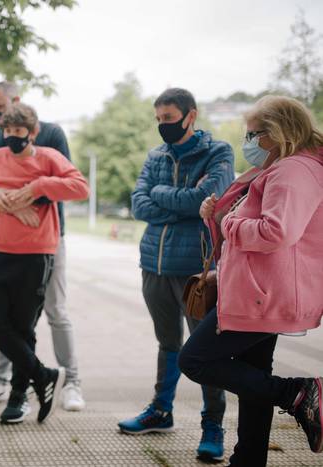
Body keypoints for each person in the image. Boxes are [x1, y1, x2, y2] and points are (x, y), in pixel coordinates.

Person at [179, 95, 323, 466]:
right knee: (253, 376)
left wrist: (227, 221)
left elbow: (277, 232)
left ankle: (299, 393)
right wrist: (217, 216)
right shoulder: (281, 168)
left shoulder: (293, 171)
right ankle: (249, 458)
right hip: (257, 290)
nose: (249, 142)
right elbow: (248, 229)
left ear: (276, 134)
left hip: (264, 294)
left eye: (253, 134)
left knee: (194, 359)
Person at [121, 88, 234, 462]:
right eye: (158, 119)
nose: (162, 126)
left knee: (203, 349)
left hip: (196, 270)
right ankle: (161, 411)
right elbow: (139, 203)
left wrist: (162, 195)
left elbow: (207, 201)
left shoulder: (218, 153)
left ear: (190, 116)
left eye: (168, 118)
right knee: (167, 342)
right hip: (153, 263)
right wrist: (181, 202)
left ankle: (213, 426)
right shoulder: (156, 155)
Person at [0, 103, 89, 425]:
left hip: (37, 252)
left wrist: (38, 187)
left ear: (31, 134)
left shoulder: (48, 158)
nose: (12, 138)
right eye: (7, 132)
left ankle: (18, 398)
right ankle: (41, 374)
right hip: (1, 249)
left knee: (23, 326)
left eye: (18, 133)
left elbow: (80, 187)